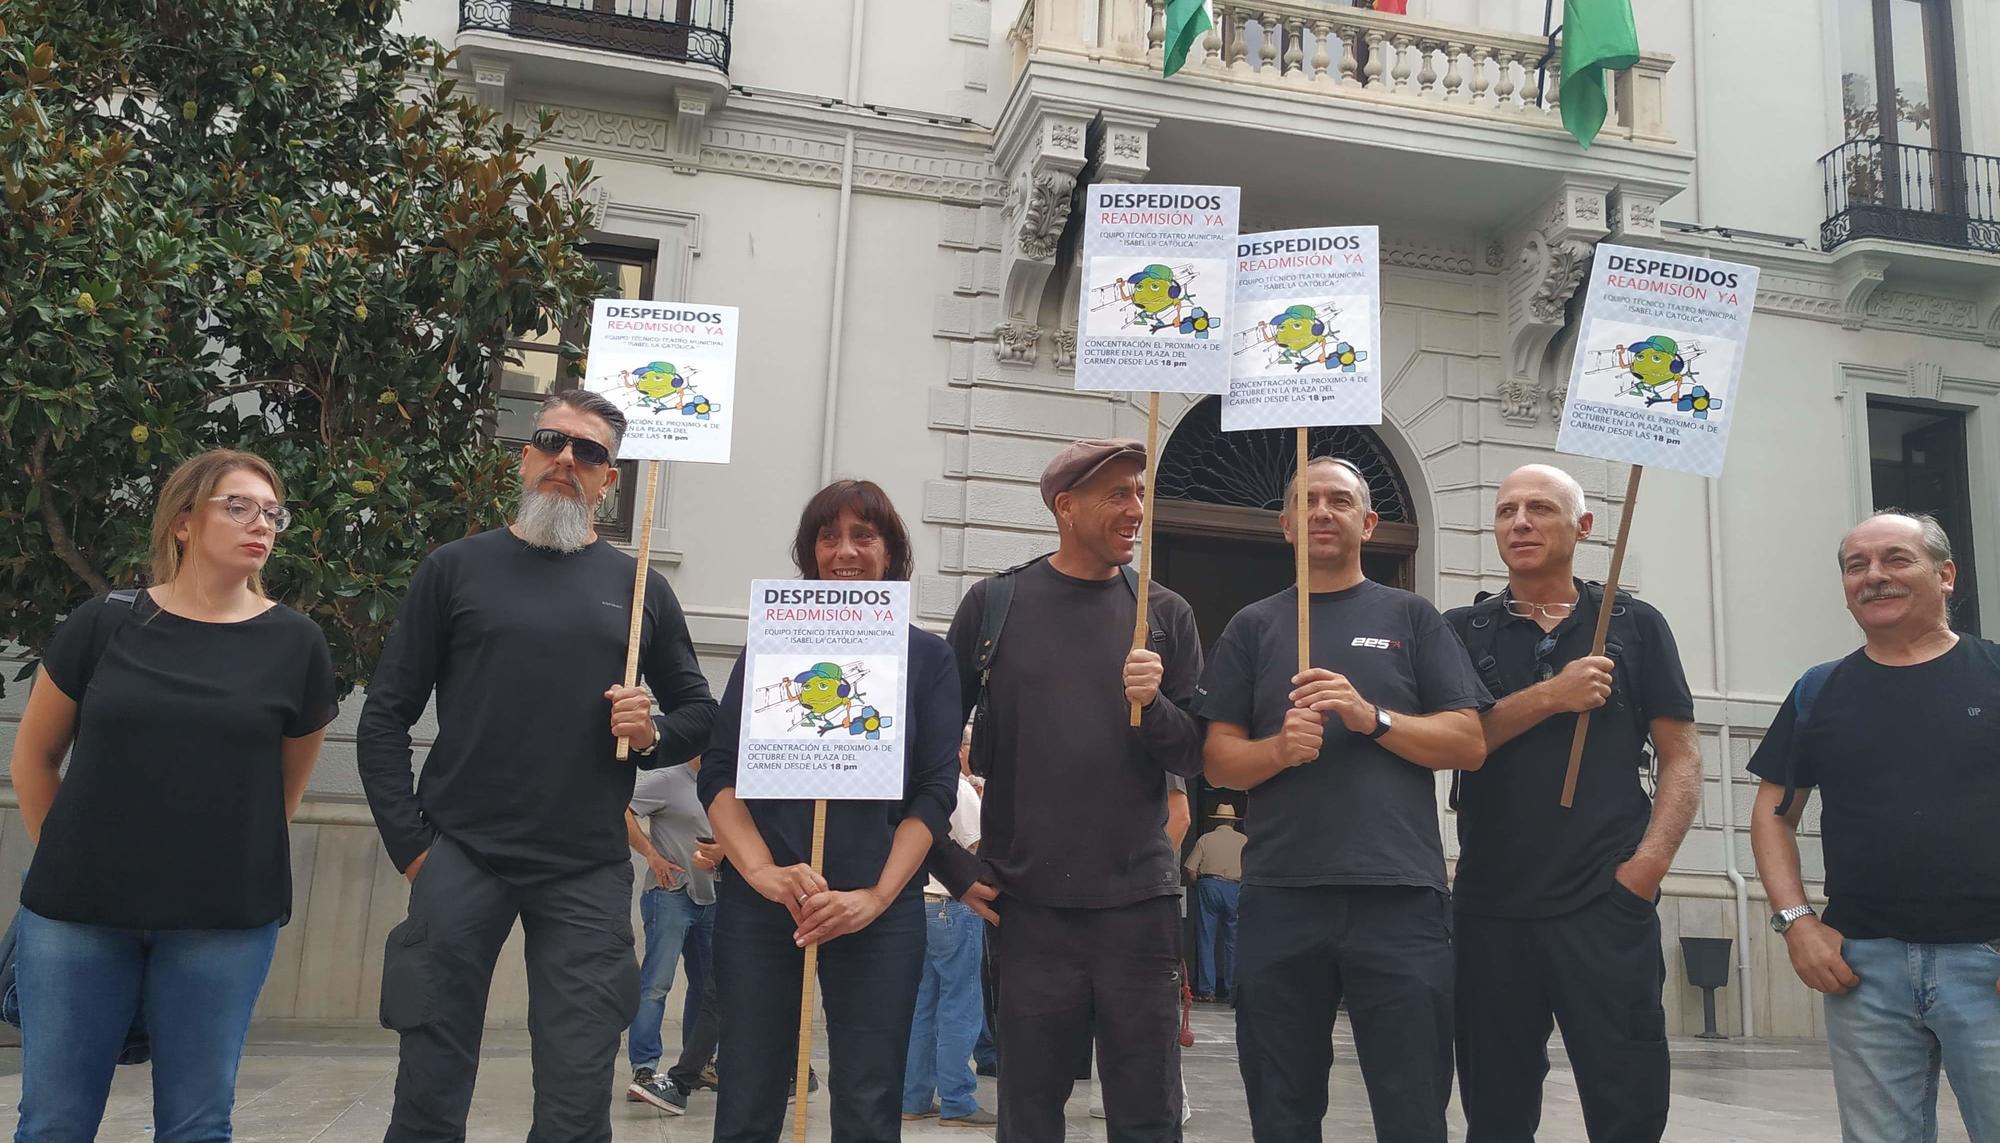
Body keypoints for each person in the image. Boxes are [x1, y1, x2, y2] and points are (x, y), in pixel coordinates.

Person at [357, 390, 719, 1143]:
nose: (566, 459)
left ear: (608, 481)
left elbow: (698, 711)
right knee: (428, 1078)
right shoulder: (454, 569)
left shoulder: (640, 585)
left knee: (577, 1091)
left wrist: (649, 729)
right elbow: (385, 713)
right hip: (460, 852)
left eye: (589, 451)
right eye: (552, 441)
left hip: (585, 864)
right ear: (524, 456)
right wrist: (413, 847)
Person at [8, 448, 338, 1142]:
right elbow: (35, 757)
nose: (262, 524)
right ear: (183, 522)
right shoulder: (105, 622)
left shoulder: (296, 643)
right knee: (54, 1121)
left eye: (273, 512)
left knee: (197, 1123)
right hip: (78, 917)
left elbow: (282, 788)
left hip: (221, 922)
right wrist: (70, 855)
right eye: (238, 505)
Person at [1197, 455, 1488, 1143]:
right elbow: (1217, 758)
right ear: (1286, 524)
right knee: (1281, 1104)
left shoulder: (1412, 618)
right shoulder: (1254, 626)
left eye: (1338, 499)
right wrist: (1277, 750)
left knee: (1412, 1104)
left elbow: (1469, 741)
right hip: (1279, 893)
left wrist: (1372, 718)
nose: (1322, 511)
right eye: (1307, 501)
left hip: (1399, 897)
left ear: (1369, 519)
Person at [933, 437, 1205, 1142]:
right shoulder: (994, 605)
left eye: (1140, 492)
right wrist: (952, 866)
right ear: (1066, 505)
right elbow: (925, 752)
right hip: (1028, 913)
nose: (1136, 508)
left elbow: (1199, 755)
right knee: (1028, 1116)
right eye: (1119, 493)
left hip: (1141, 911)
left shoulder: (1165, 613)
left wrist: (1158, 704)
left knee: (1149, 1116)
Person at [698, 479, 961, 1143]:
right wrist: (763, 872)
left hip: (878, 914)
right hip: (765, 912)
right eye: (828, 535)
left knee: (870, 1104)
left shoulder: (929, 659)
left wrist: (874, 895)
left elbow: (934, 790)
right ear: (810, 552)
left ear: (891, 551)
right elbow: (720, 775)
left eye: (863, 535)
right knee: (748, 1095)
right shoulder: (768, 650)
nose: (845, 550)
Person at [1444, 464, 1700, 1143]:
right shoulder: (1460, 629)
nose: (1520, 522)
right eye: (1507, 510)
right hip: (1490, 905)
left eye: (1540, 508)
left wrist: (1645, 870)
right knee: (1494, 1114)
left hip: (1605, 901)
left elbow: (1682, 756)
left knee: (1630, 1107)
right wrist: (1553, 695)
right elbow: (1457, 743)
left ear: (1583, 527)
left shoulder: (1635, 624)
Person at [1748, 511, 2000, 1143]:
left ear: (1946, 575)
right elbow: (1773, 816)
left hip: (1988, 961)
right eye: (1856, 565)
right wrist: (1796, 922)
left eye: (1895, 559)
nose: (1874, 577)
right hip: (1864, 970)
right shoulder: (1820, 690)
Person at [901, 726, 995, 1127]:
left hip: (920, 902)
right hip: (954, 906)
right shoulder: (960, 790)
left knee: (922, 1006)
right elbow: (973, 854)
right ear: (959, 750)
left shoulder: (922, 788)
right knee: (962, 1004)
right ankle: (958, 1099)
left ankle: (913, 1096)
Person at [624, 757, 718, 1115]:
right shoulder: (666, 779)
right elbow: (622, 810)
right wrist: (652, 855)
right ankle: (644, 1069)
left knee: (708, 988)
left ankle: (697, 1066)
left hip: (713, 896)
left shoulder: (722, 783)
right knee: (656, 984)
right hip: (671, 895)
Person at [1185, 804, 1246, 1003]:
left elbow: (1191, 871)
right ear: (1233, 823)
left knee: (1206, 939)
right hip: (1235, 888)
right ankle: (1232, 988)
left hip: (1209, 885)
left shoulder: (1205, 839)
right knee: (1233, 941)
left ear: (1216, 821)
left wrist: (1200, 886)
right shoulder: (1244, 841)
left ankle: (1207, 990)